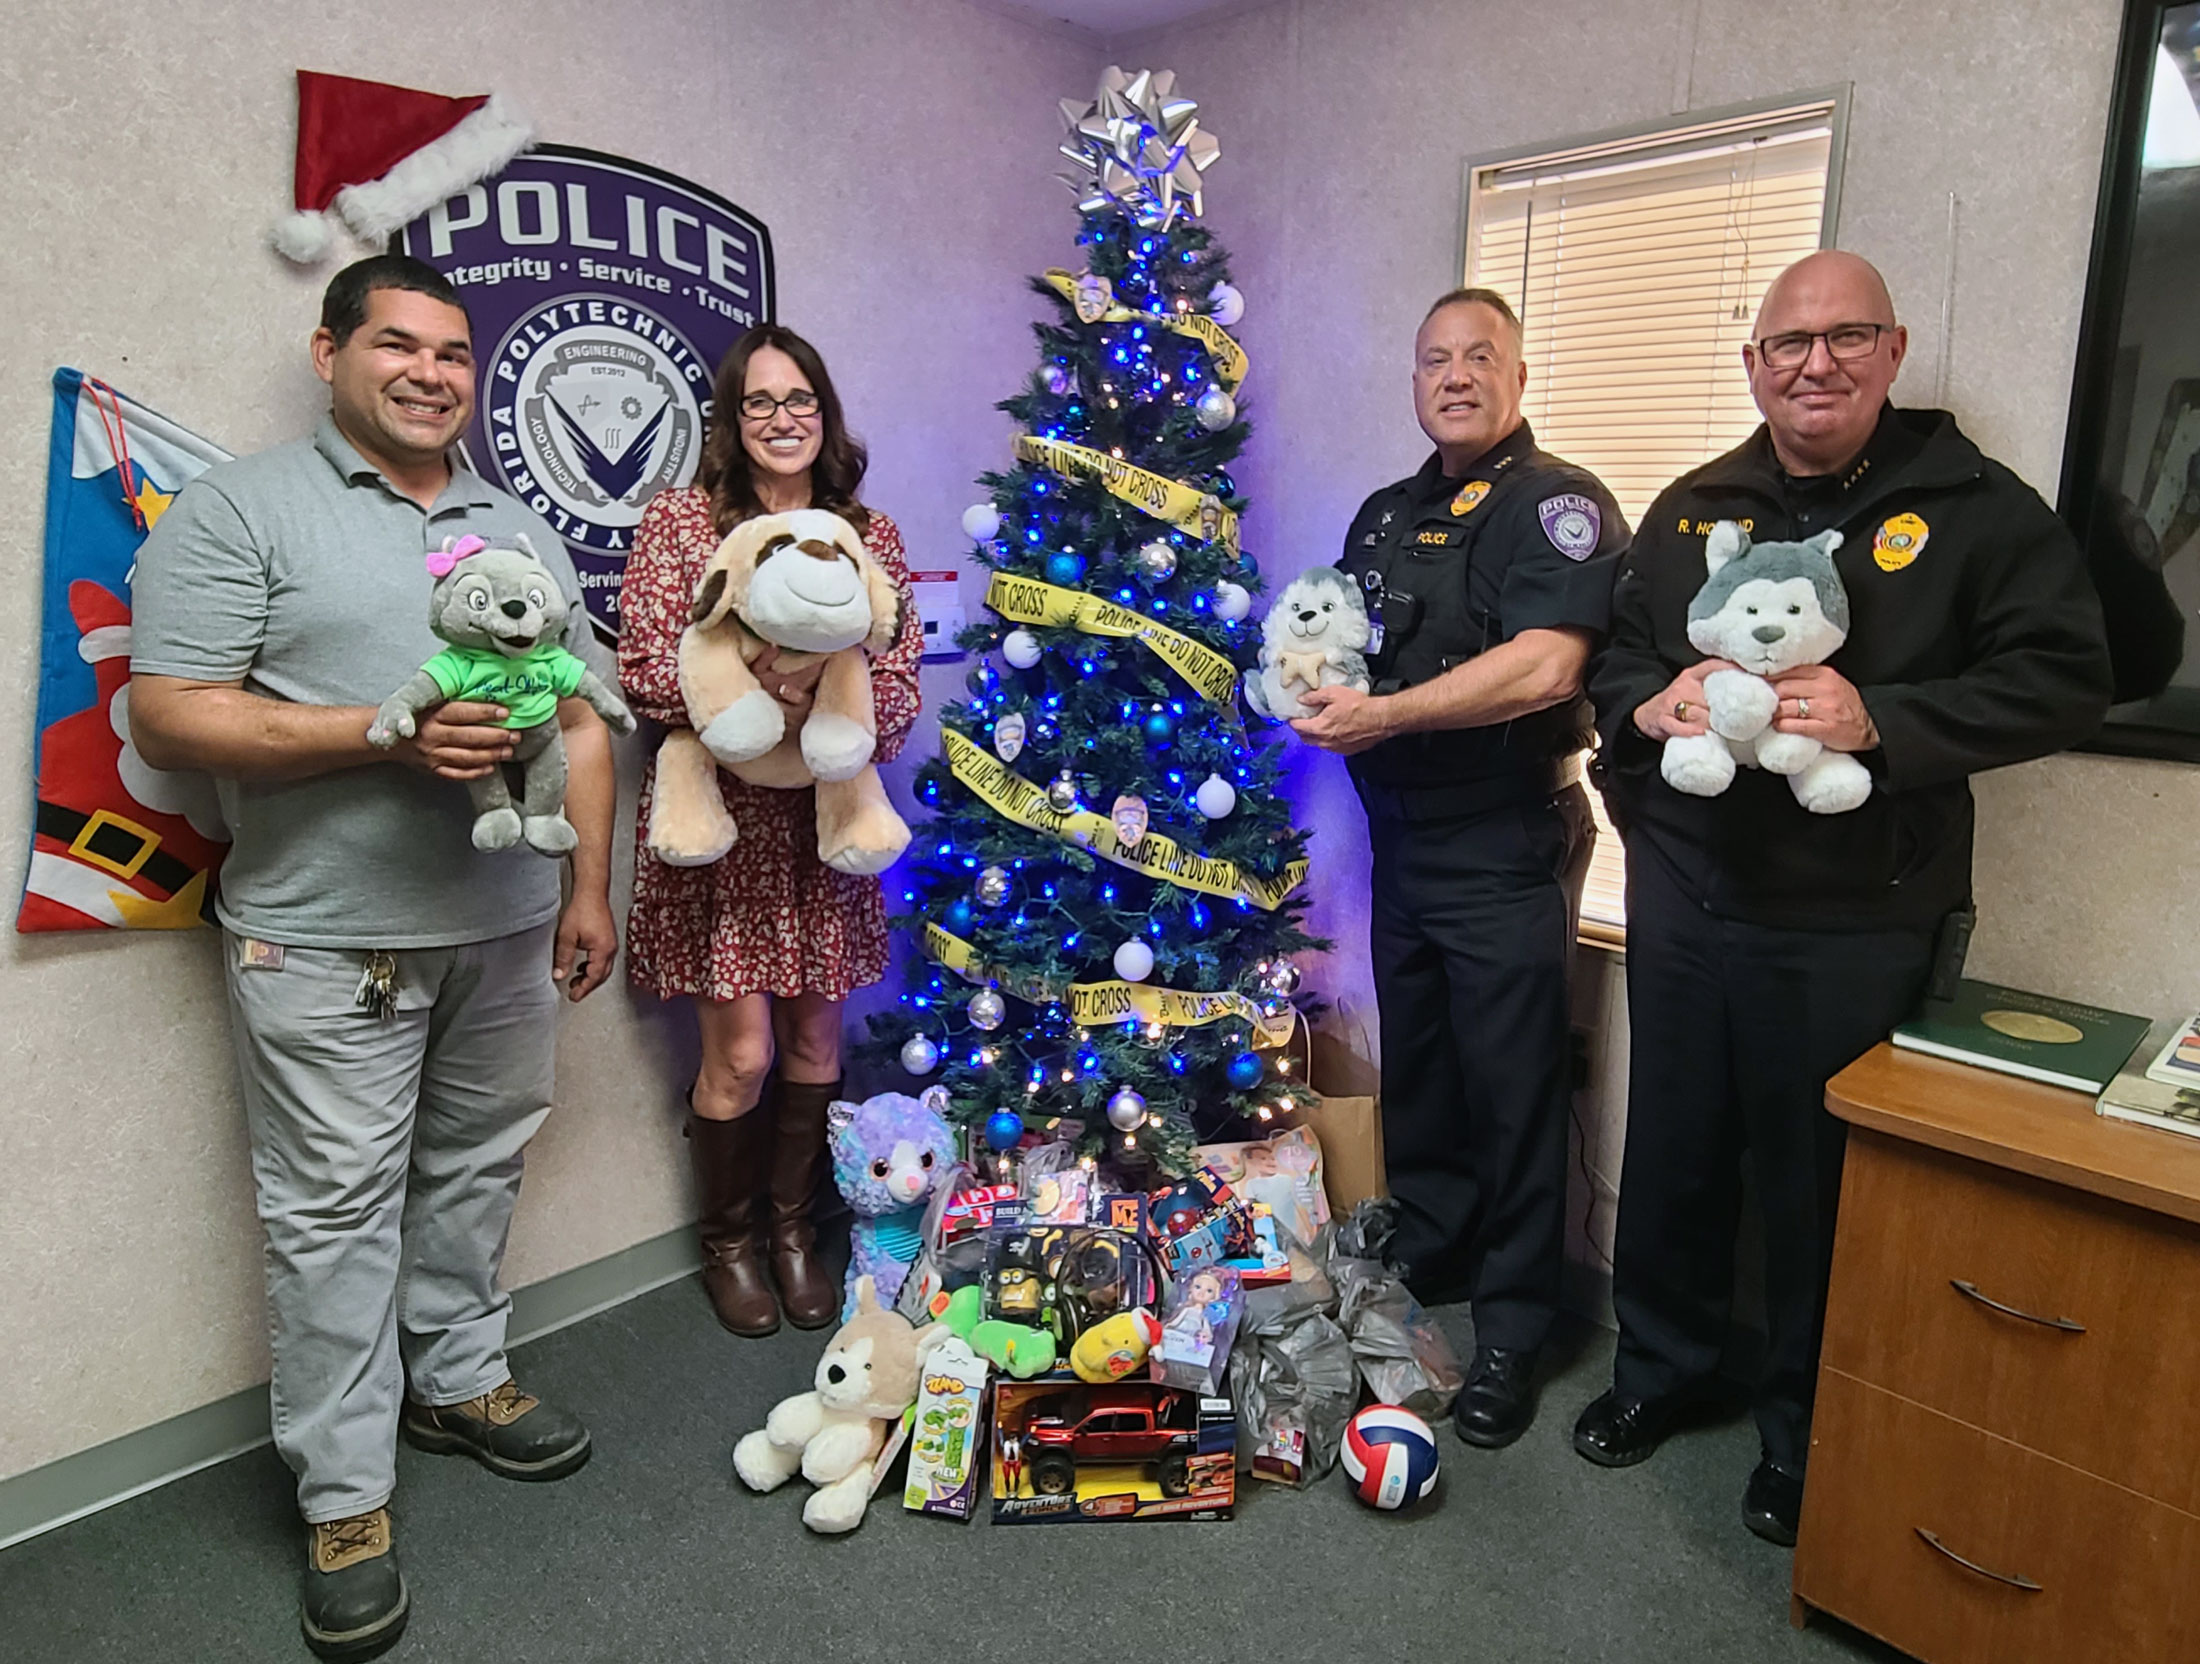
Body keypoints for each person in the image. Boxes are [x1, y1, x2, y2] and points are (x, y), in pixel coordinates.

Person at [1575, 250, 2113, 1545]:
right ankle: (1658, 1370)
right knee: (1675, 1151)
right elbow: (1618, 658)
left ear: (1894, 349)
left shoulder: (1977, 506)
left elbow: (2067, 675)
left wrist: (1886, 718)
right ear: (1754, 363)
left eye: (1846, 336)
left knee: (1822, 1189)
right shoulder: (1698, 501)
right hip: (1691, 896)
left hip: (1855, 919)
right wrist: (1648, 711)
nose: (1816, 363)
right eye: (1788, 343)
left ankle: (1801, 1432)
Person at [130, 254, 614, 1659]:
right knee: (331, 1215)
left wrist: (589, 884)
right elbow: (170, 715)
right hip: (325, 942)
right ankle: (345, 1493)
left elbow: (576, 721)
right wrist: (380, 731)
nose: (429, 373)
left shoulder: (509, 516)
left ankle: (459, 1380)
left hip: (508, 929)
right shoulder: (243, 508)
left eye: (454, 353)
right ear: (329, 350)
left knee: (479, 1167)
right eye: (396, 345)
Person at [1294, 287, 1626, 1449]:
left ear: (1518, 375)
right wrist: (1299, 679)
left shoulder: (1558, 506)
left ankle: (1518, 1323)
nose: (1454, 375)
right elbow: (1336, 635)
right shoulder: (1385, 514)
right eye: (1434, 358)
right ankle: (1430, 1246)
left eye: (1479, 356)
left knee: (1514, 1086)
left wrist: (1382, 713)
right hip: (1406, 838)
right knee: (1423, 1064)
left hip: (1502, 837)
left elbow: (1545, 666)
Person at [618, 324, 921, 1339]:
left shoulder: (866, 534)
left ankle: (797, 1232)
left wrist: (798, 697)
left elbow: (900, 684)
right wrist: (784, 682)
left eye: (802, 401)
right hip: (723, 827)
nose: (783, 420)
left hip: (824, 826)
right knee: (740, 1053)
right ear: (732, 419)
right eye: (760, 402)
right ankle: (730, 1241)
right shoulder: (679, 525)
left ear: (825, 416)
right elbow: (650, 675)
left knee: (814, 1035)